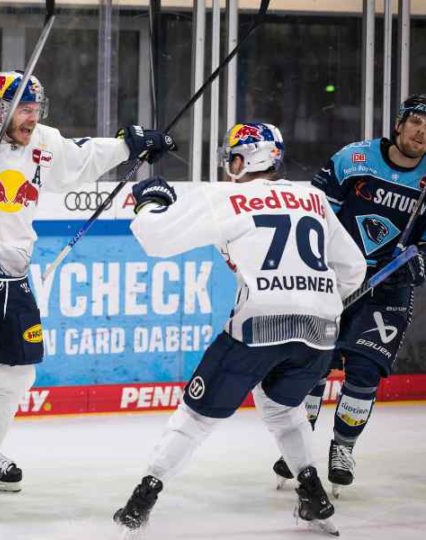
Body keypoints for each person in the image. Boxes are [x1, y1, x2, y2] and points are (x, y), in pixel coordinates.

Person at [0, 70, 176, 494]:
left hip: (11, 274)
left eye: (36, 109)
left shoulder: (42, 142)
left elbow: (84, 155)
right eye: (23, 108)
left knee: (19, 369)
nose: (31, 118)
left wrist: (132, 144)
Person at [113, 122, 367, 537]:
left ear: (245, 158)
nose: (227, 165)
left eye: (231, 156)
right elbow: (353, 270)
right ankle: (314, 496)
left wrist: (147, 204)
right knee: (282, 410)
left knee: (195, 418)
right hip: (319, 332)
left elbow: (156, 239)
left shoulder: (227, 196)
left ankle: (142, 500)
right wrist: (316, 299)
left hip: (258, 325)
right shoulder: (313, 198)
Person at [272, 94, 426, 496]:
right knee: (314, 366)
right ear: (399, 124)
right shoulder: (353, 160)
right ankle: (299, 446)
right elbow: (315, 216)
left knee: (365, 371)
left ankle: (343, 448)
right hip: (334, 278)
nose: (422, 132)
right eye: (416, 123)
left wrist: (419, 261)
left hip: (390, 288)